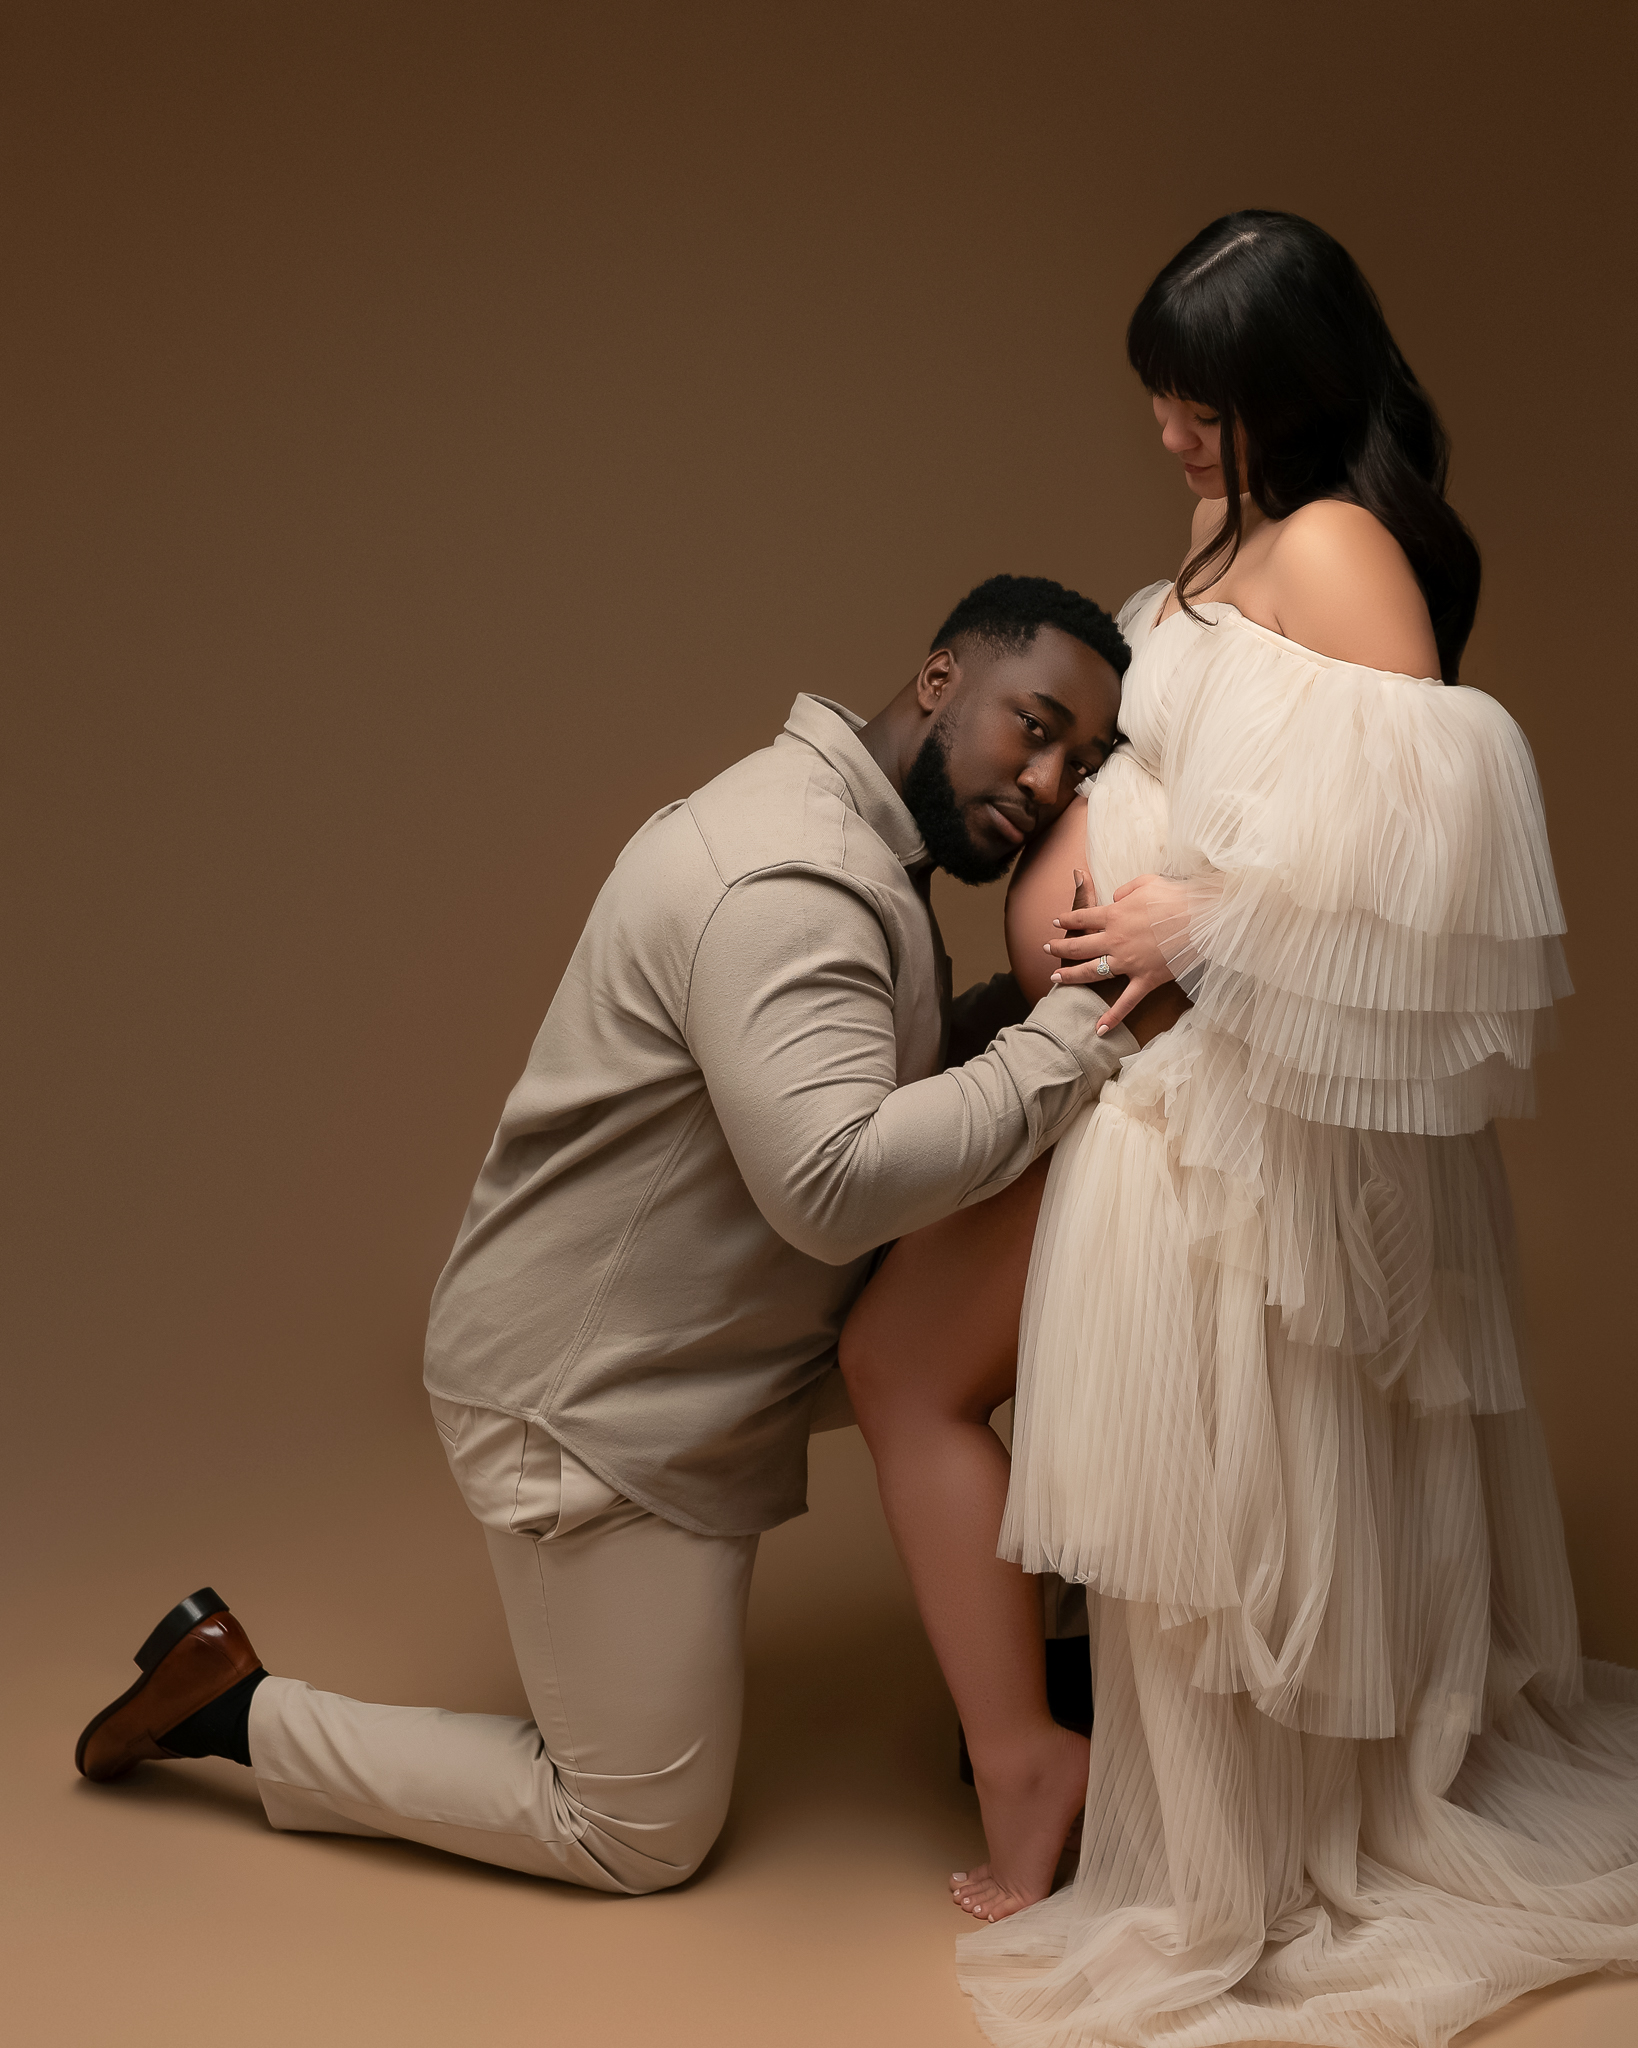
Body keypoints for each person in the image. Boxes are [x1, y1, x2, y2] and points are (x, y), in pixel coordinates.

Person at [74, 573, 1187, 1897]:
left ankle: (1045, 1687)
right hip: (595, 1404)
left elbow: (845, 1077)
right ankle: (223, 1710)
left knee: (1068, 1280)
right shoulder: (791, 874)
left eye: (1079, 761)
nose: (1049, 782)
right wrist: (1070, 1030)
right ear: (941, 680)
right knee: (633, 1833)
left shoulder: (848, 834)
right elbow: (829, 1184)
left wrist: (1020, 1011)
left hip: (729, 1335)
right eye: (1034, 726)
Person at [842, 213, 1638, 2046]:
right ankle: (1048, 1747)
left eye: (1198, 406)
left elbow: (1428, 855)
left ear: (1281, 389)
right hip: (1127, 1061)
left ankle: (1180, 1822)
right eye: (1164, 403)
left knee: (1181, 1454)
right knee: (948, 1372)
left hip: (1233, 1094)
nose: (1169, 436)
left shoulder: (1347, 546)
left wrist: (1197, 926)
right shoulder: (1231, 525)